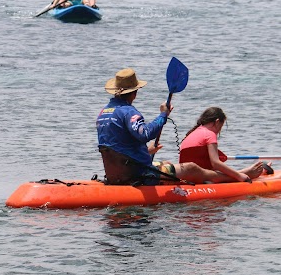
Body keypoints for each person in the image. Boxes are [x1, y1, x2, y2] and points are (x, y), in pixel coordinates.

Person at [96, 68, 265, 186]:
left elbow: (117, 146)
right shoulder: (128, 112)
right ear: (134, 92)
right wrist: (163, 115)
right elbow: (144, 133)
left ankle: (234, 174)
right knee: (191, 168)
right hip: (135, 174)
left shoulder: (104, 113)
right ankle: (241, 175)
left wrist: (146, 152)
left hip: (116, 173)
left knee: (168, 163)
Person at [179, 107, 281, 180]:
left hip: (189, 177)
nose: (220, 130)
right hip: (202, 178)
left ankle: (261, 171)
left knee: (223, 175)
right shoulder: (209, 134)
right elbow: (215, 163)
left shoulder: (191, 133)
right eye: (221, 126)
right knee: (233, 177)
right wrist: (239, 176)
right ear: (217, 122)